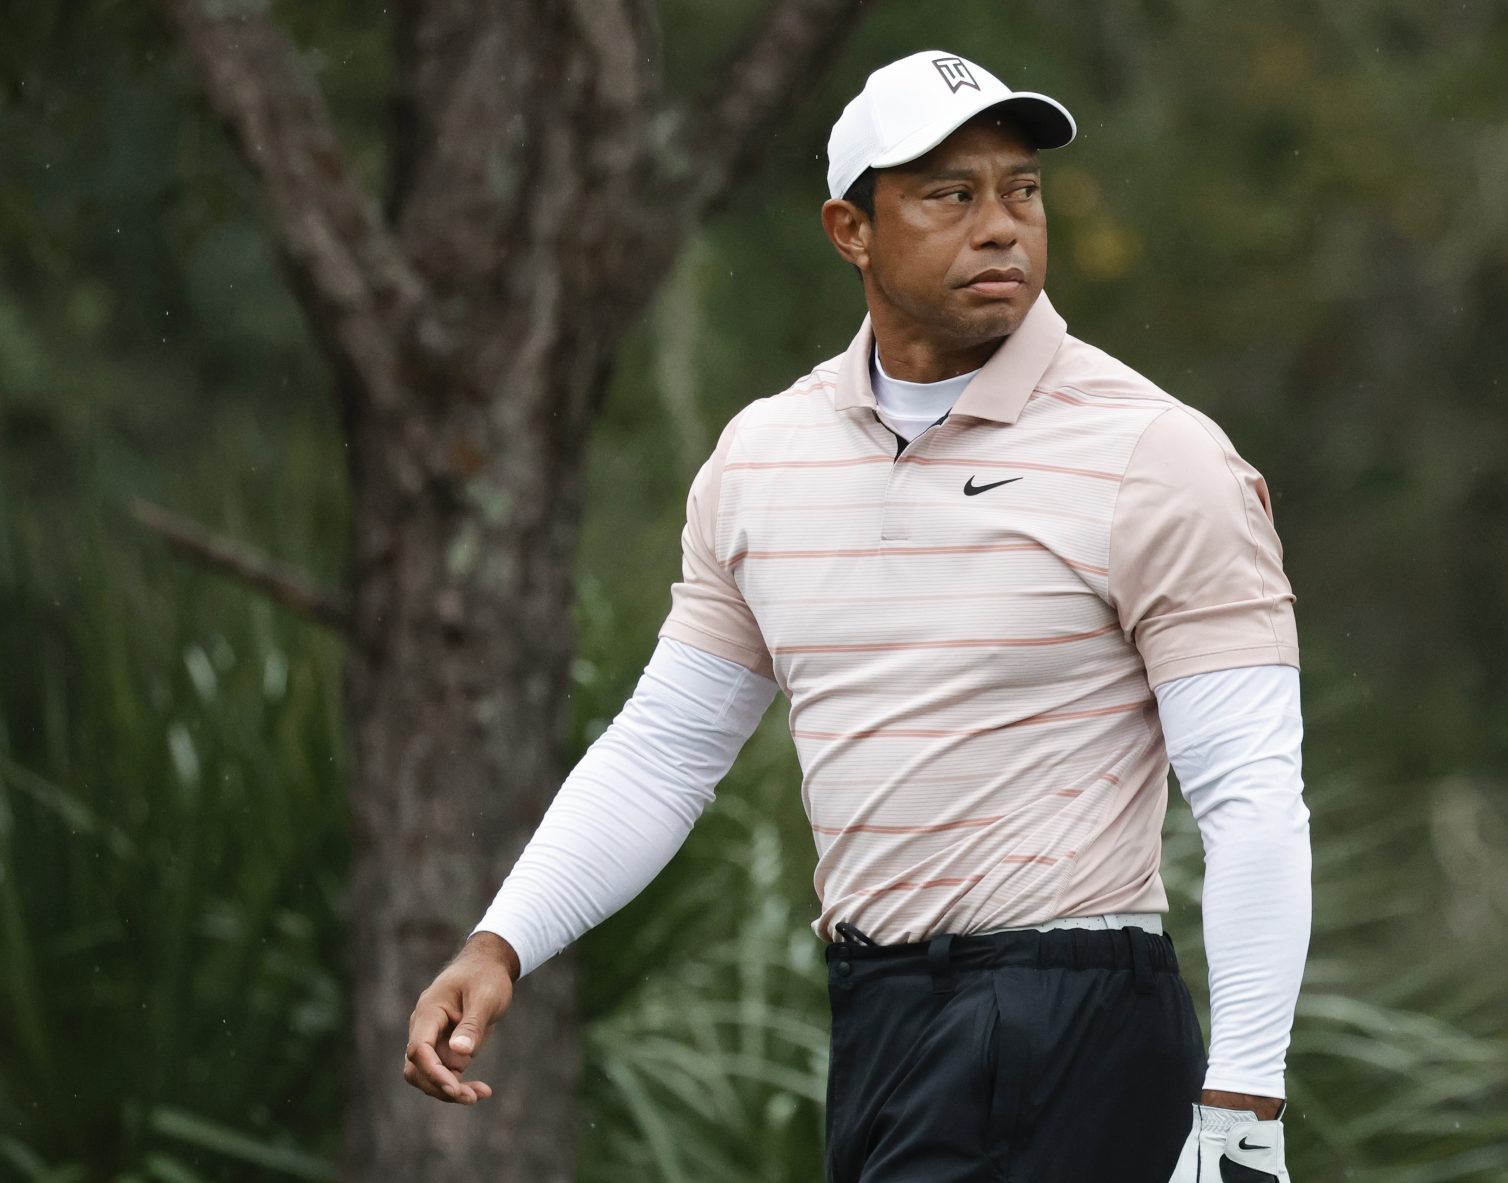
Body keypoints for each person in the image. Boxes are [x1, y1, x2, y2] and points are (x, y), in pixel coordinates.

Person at [400, 50, 1312, 1183]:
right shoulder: (762, 458)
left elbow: (1251, 794)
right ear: (851, 230)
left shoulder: (1157, 455)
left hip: (1071, 1017)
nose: (1000, 226)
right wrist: (503, 942)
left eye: (1021, 191)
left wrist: (1242, 1109)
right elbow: (666, 751)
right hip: (878, 1016)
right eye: (950, 194)